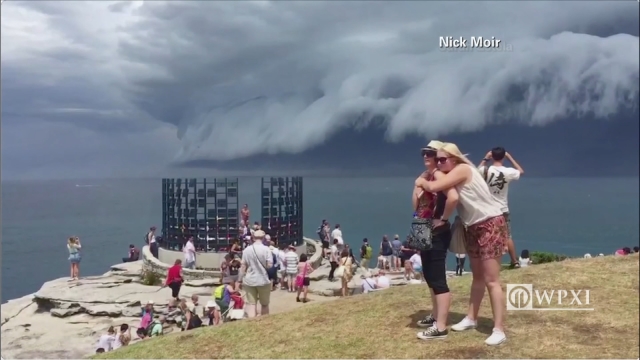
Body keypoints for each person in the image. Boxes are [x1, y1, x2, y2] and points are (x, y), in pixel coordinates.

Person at [416, 142, 509, 346]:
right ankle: (471, 318)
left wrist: (421, 181)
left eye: (442, 159)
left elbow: (434, 187)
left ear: (454, 158)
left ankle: (499, 329)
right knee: (476, 276)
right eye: (437, 159)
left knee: (491, 280)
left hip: (490, 223)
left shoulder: (463, 169)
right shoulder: (453, 172)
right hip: (472, 226)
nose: (439, 163)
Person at [478, 147, 525, 268]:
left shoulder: (486, 170)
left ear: (492, 156)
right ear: (503, 156)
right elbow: (521, 171)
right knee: (507, 236)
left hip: (488, 210)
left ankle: (489, 263)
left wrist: (485, 158)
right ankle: (514, 261)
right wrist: (510, 157)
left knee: (488, 236)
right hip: (503, 209)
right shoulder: (508, 172)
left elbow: (476, 173)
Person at [240, 230, 272, 318]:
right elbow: (269, 265)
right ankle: (265, 322)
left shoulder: (246, 250)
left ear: (253, 238)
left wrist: (242, 277)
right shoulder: (267, 249)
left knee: (251, 304)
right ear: (264, 238)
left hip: (250, 280)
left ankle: (252, 322)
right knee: (264, 304)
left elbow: (243, 266)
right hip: (263, 280)